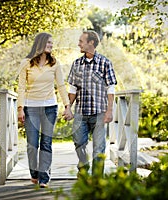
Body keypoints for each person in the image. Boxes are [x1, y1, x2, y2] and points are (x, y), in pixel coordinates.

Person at [17, 32, 72, 188]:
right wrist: (20, 108)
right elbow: (21, 87)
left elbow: (61, 86)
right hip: (31, 108)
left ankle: (44, 178)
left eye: (52, 43)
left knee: (46, 143)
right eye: (48, 42)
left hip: (50, 107)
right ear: (40, 43)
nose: (51, 45)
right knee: (32, 144)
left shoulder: (55, 63)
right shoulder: (26, 63)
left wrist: (67, 105)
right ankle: (34, 173)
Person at [66, 30, 117, 176]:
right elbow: (72, 88)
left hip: (100, 112)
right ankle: (83, 169)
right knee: (78, 143)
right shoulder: (76, 64)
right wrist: (68, 107)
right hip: (80, 112)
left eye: (81, 41)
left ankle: (96, 179)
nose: (78, 44)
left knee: (99, 148)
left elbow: (110, 88)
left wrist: (109, 110)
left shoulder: (105, 63)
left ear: (91, 43)